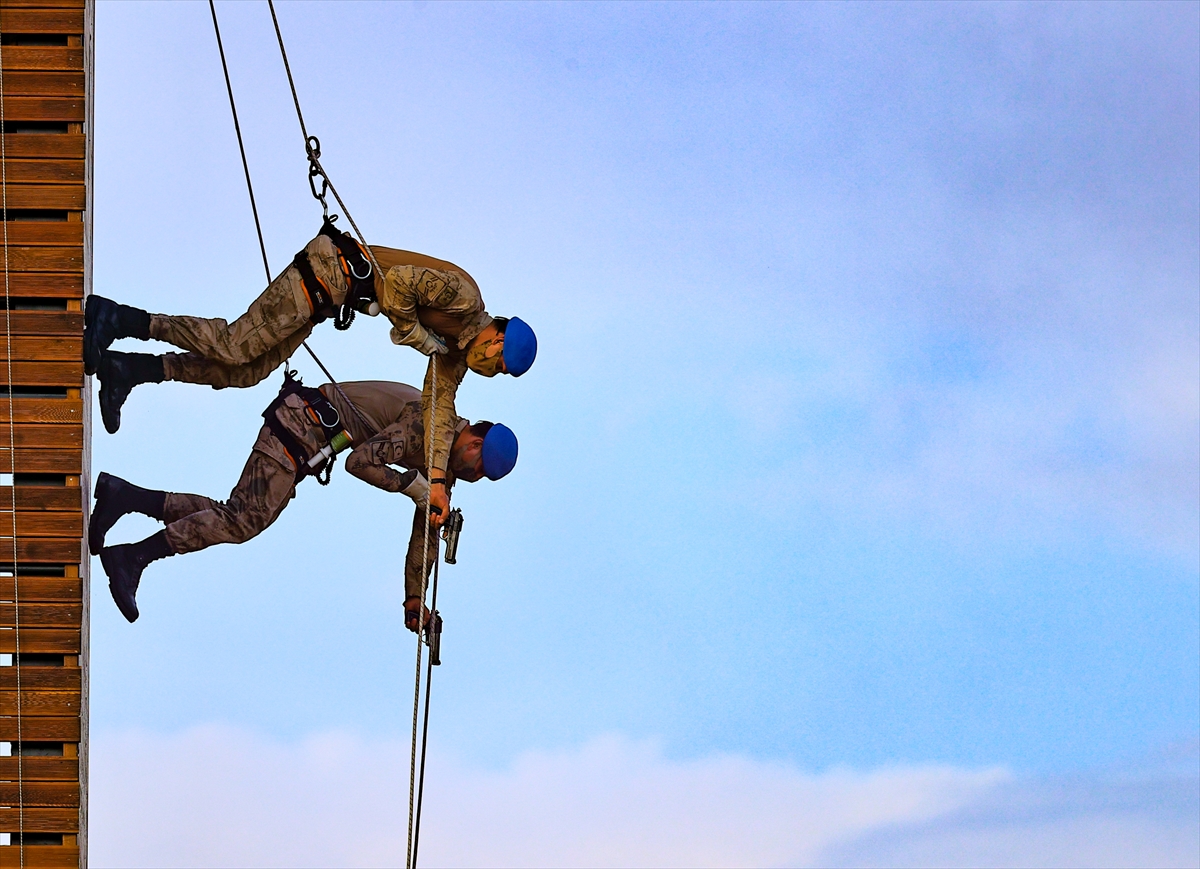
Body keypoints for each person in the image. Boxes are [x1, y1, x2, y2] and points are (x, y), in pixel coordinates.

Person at [83, 221, 538, 489]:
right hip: (331, 270)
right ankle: (116, 320)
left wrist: (435, 482)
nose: (491, 369)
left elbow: (439, 409)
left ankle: (131, 369)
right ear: (498, 339)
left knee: (248, 371)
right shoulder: (464, 297)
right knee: (234, 343)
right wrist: (414, 333)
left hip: (331, 296)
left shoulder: (454, 354)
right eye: (497, 363)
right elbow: (397, 283)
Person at [90, 376, 518, 624]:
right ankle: (133, 557)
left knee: (234, 514)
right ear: (475, 441)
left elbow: (425, 528)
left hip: (307, 434)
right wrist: (410, 485)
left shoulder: (442, 464)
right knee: (243, 521)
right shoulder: (428, 429)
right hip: (302, 425)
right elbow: (361, 463)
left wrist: (413, 599)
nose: (472, 476)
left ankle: (122, 496)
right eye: (477, 466)